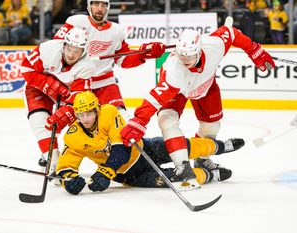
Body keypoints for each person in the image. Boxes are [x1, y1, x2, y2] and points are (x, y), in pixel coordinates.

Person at [120, 26, 275, 187]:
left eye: (190, 55)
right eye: (182, 55)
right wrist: (138, 121)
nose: (185, 59)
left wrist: (255, 51)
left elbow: (232, 33)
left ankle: (202, 159)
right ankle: (182, 166)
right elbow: (154, 100)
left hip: (205, 87)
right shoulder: (174, 71)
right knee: (166, 120)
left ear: (200, 50)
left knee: (212, 127)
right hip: (177, 91)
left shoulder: (214, 45)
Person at [56, 91, 245, 195]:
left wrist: (104, 172)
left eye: (89, 113)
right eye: (81, 115)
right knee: (176, 178)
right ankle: (211, 175)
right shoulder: (73, 136)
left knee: (184, 147)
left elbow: (121, 149)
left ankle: (221, 146)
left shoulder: (109, 112)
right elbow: (65, 166)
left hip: (143, 149)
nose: (86, 118)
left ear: (96, 109)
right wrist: (69, 181)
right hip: (129, 176)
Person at [53, 0, 165, 119]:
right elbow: (56, 48)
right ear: (88, 6)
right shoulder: (76, 22)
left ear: (108, 7)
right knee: (74, 121)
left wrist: (144, 53)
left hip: (105, 83)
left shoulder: (116, 31)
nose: (100, 8)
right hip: (78, 83)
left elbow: (123, 59)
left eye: (103, 5)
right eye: (96, 4)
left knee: (120, 117)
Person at [20, 27, 95, 174]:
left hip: (66, 95)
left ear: (83, 51)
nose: (72, 55)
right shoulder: (47, 50)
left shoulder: (86, 67)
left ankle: (64, 156)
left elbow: (79, 98)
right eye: (70, 49)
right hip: (37, 88)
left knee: (69, 122)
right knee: (39, 121)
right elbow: (26, 69)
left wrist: (66, 113)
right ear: (64, 45)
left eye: (77, 51)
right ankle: (53, 160)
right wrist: (48, 83)